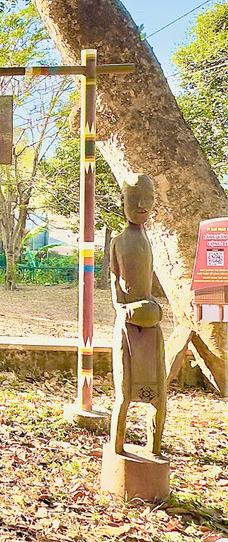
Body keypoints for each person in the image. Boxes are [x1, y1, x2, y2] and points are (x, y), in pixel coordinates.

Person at [109, 173, 166, 455]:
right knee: (123, 395)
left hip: (150, 322)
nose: (142, 205)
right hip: (128, 323)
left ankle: (154, 447)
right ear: (124, 202)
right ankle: (117, 446)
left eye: (148, 200)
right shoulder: (118, 240)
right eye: (135, 199)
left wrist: (154, 304)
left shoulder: (149, 240)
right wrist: (123, 308)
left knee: (159, 396)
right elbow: (114, 282)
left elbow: (149, 281)